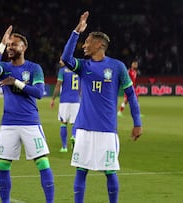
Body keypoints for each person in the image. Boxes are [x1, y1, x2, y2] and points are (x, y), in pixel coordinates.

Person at [61, 11, 143, 203]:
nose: (84, 45)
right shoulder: (82, 66)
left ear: (99, 44)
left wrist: (137, 122)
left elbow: (131, 94)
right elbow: (66, 58)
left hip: (107, 129)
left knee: (110, 172)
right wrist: (76, 32)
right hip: (83, 128)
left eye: (87, 41)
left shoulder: (117, 67)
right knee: (81, 171)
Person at [0, 25, 55, 203]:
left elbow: (39, 93)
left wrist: (16, 82)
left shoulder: (34, 68)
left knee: (42, 162)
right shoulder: (4, 67)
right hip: (8, 123)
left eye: (13, 45)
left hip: (30, 122)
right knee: (3, 165)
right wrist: (1, 45)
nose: (10, 48)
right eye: (9, 45)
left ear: (23, 48)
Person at [50, 57, 80, 152]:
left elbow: (58, 85)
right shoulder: (77, 71)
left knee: (63, 123)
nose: (59, 62)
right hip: (76, 100)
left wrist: (53, 98)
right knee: (75, 122)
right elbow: (81, 87)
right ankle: (74, 136)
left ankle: (64, 147)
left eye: (61, 60)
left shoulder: (62, 71)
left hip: (64, 101)